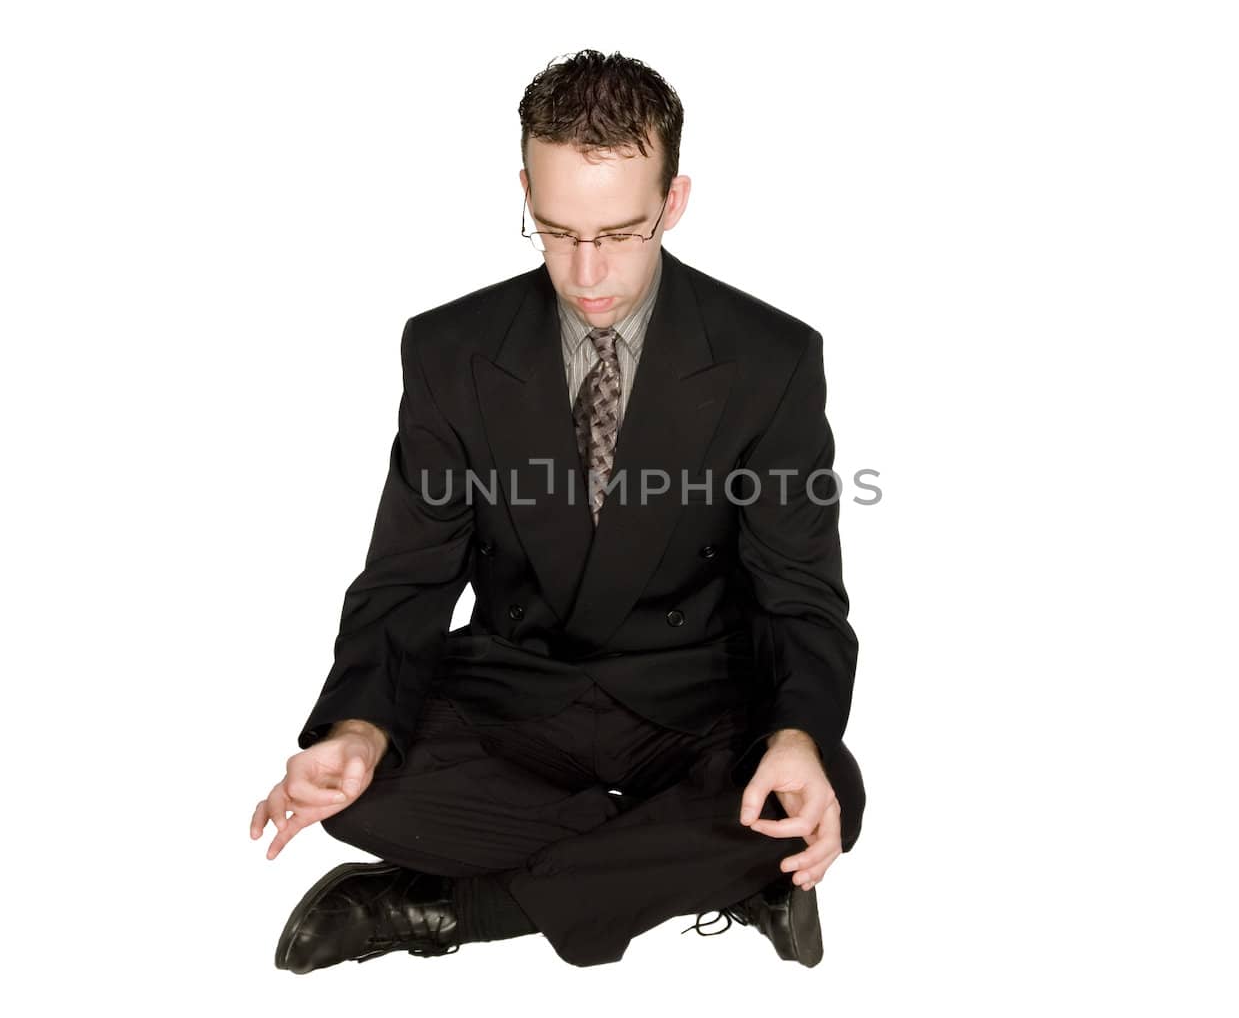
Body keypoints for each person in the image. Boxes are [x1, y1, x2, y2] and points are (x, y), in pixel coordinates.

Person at [249, 49, 866, 970]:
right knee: (363, 795)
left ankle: (451, 907)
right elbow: (409, 576)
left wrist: (796, 737)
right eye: (556, 230)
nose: (587, 271)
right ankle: (697, 870)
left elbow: (800, 593)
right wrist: (358, 729)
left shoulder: (771, 357)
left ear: (675, 202)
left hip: (693, 698)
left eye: (620, 232)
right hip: (514, 690)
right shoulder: (449, 347)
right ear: (526, 195)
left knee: (822, 789)